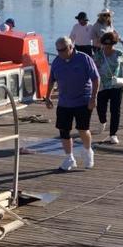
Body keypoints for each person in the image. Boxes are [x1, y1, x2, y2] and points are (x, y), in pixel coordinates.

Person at [43, 36, 100, 171]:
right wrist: (48, 97)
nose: (60, 53)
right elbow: (51, 80)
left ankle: (88, 152)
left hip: (83, 100)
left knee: (82, 129)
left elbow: (96, 78)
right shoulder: (57, 62)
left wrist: (94, 97)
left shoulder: (84, 59)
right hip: (64, 102)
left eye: (63, 50)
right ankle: (69, 158)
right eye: (58, 50)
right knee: (64, 131)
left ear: (70, 47)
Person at [93, 31, 123, 144]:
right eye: (105, 44)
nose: (107, 46)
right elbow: (93, 68)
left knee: (115, 110)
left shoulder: (118, 54)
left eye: (110, 44)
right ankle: (102, 121)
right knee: (101, 108)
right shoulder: (99, 54)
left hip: (116, 86)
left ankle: (113, 134)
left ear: (114, 44)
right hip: (102, 86)